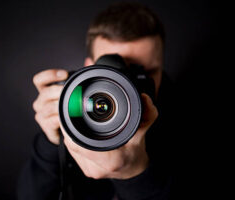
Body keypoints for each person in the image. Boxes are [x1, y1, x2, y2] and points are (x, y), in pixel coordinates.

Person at [17, 2, 185, 200]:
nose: (127, 86)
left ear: (162, 67)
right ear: (89, 67)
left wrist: (135, 175)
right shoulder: (74, 105)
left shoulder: (182, 116)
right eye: (114, 73)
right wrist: (51, 144)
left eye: (144, 73)